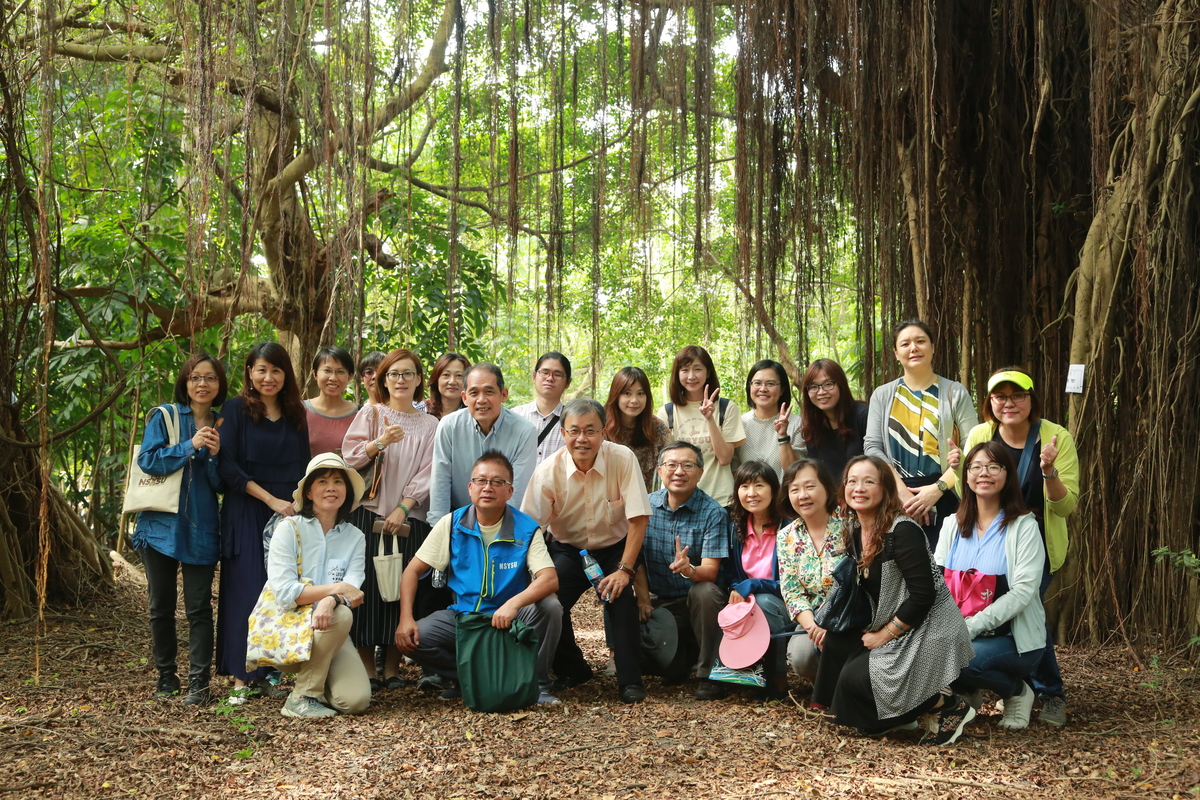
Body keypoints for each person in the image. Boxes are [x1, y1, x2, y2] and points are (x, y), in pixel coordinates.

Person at [811, 456, 976, 745]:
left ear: (886, 489)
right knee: (836, 644)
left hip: (928, 628)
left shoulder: (902, 531)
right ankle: (889, 718)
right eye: (852, 481)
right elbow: (854, 586)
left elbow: (924, 596)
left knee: (858, 677)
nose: (858, 488)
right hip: (887, 617)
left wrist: (885, 635)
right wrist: (830, 620)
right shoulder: (854, 530)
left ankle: (947, 705)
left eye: (869, 481)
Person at [396, 451, 563, 705]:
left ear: (510, 491)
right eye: (481, 481)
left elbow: (549, 579)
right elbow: (412, 570)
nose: (488, 488)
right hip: (465, 615)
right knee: (417, 637)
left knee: (550, 606)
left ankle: (537, 685)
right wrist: (405, 618)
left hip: (511, 617)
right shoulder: (452, 523)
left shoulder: (526, 528)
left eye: (497, 482)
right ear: (470, 487)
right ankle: (471, 679)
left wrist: (513, 604)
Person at [963, 367, 1078, 725]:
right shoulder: (981, 434)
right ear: (989, 403)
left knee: (1027, 610)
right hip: (988, 544)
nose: (1009, 403)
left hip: (1035, 543)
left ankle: (1049, 693)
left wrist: (1048, 470)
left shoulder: (1054, 437)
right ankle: (1009, 685)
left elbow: (1065, 505)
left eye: (1018, 396)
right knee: (1004, 613)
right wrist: (948, 476)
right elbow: (967, 488)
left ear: (1032, 400)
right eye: (1000, 396)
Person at [521, 398, 653, 703]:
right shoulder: (547, 472)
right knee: (550, 602)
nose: (582, 439)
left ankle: (630, 680)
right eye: (574, 431)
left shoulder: (622, 459)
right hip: (569, 549)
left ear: (604, 431)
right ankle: (573, 667)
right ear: (564, 434)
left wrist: (625, 571)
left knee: (622, 601)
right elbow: (530, 531)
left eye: (590, 430)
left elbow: (638, 519)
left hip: (615, 547)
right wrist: (535, 575)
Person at [217, 342, 311, 703]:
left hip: (289, 512)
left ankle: (272, 667)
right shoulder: (236, 410)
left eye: (275, 370)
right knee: (246, 589)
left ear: (286, 374)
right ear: (250, 373)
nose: (268, 378)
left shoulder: (295, 413)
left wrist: (298, 509)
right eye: (260, 370)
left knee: (283, 588)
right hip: (247, 508)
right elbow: (228, 466)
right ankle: (242, 677)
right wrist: (271, 500)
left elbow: (305, 466)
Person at [341, 348, 438, 691]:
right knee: (367, 588)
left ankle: (393, 668)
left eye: (408, 373)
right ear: (383, 379)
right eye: (394, 374)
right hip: (366, 516)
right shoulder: (371, 413)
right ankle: (368, 668)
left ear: (418, 380)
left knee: (400, 589)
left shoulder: (431, 424)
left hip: (409, 517)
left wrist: (404, 506)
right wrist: (380, 442)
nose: (401, 380)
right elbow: (349, 457)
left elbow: (429, 471)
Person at [133, 353, 226, 705]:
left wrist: (215, 455)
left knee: (200, 607)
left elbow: (220, 485)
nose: (202, 384)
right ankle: (166, 676)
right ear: (185, 382)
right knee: (161, 605)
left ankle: (199, 681)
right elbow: (147, 460)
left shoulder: (224, 423)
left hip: (202, 526)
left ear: (220, 385)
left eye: (210, 378)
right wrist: (191, 445)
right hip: (159, 525)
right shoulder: (165, 415)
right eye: (195, 377)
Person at [936, 442, 1045, 730]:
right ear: (967, 475)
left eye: (993, 466)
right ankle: (966, 692)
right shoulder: (952, 525)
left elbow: (1023, 592)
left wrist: (969, 627)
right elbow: (937, 582)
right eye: (976, 467)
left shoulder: (1023, 526)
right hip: (960, 631)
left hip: (1012, 638)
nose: (984, 473)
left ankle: (1017, 691)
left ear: (1007, 475)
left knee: (963, 659)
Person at [265, 453, 371, 718]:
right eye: (322, 481)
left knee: (355, 702)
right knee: (341, 611)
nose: (331, 487)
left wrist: (331, 600)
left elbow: (354, 591)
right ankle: (302, 696)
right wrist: (334, 593)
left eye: (338, 481)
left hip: (330, 630)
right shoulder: (288, 528)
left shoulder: (354, 537)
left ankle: (319, 681)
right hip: (288, 628)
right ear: (309, 492)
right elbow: (286, 593)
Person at [864, 320, 977, 549]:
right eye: (905, 344)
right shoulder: (883, 395)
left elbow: (973, 446)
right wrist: (904, 495)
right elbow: (873, 447)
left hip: (947, 495)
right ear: (896, 353)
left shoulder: (954, 392)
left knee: (944, 569)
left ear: (933, 347)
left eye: (920, 341)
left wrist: (937, 489)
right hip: (895, 497)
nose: (913, 348)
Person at [633, 441, 729, 700]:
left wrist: (689, 570)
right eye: (671, 465)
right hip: (660, 603)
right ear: (660, 470)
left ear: (700, 472)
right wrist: (642, 599)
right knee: (615, 590)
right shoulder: (645, 507)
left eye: (688, 465)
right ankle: (646, 666)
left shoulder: (713, 513)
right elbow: (635, 558)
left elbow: (709, 571)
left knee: (705, 591)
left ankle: (711, 674)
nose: (679, 472)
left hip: (694, 601)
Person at [428, 363, 537, 522]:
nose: (481, 400)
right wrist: (440, 531)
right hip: (457, 520)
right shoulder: (449, 426)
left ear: (503, 395)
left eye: (489, 392)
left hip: (504, 521)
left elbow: (516, 492)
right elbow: (440, 481)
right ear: (464, 398)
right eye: (474, 393)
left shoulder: (524, 431)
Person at [723, 460, 793, 698]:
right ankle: (741, 673)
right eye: (744, 486)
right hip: (748, 600)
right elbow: (731, 573)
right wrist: (739, 588)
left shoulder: (789, 528)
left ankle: (777, 676)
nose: (751, 493)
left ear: (774, 490)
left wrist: (753, 585)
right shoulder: (735, 528)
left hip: (784, 603)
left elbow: (791, 584)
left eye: (759, 486)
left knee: (763, 602)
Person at [776, 458, 844, 685]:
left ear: (827, 488)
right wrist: (813, 627)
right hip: (813, 617)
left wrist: (832, 624)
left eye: (810, 486)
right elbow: (792, 592)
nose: (802, 495)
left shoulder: (851, 524)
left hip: (851, 614)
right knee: (802, 655)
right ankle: (827, 686)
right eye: (794, 489)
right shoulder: (786, 536)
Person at [657, 345, 746, 506]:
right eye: (685, 370)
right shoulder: (667, 412)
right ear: (677, 374)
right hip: (678, 501)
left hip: (719, 500)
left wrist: (710, 419)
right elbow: (666, 463)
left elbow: (725, 458)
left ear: (708, 372)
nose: (691, 376)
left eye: (697, 369)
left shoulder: (727, 408)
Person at [799, 359, 870, 481]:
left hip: (863, 493)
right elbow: (816, 473)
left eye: (828, 384)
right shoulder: (812, 426)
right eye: (814, 387)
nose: (821, 392)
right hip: (830, 497)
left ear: (841, 385)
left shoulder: (863, 415)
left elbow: (879, 463)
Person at [603, 366, 670, 492]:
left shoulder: (657, 427)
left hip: (646, 504)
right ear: (616, 395)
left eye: (640, 394)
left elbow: (671, 464)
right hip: (606, 502)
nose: (634, 400)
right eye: (627, 393)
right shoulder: (599, 425)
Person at [736, 360, 803, 480]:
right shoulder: (740, 424)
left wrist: (783, 436)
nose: (763, 389)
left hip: (786, 497)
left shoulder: (797, 424)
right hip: (750, 497)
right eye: (757, 383)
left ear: (782, 389)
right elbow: (734, 472)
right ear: (749, 386)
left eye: (770, 384)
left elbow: (796, 473)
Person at [512, 352, 572, 465]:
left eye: (558, 375)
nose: (550, 378)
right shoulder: (515, 416)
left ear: (568, 382)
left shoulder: (572, 420)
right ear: (534, 377)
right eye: (544, 373)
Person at [304, 346, 359, 456]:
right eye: (327, 371)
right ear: (315, 374)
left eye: (340, 372)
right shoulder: (299, 410)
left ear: (350, 377)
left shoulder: (360, 414)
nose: (333, 378)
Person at [417, 352, 470, 419]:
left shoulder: (472, 415)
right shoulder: (420, 410)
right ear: (436, 379)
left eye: (459, 375)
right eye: (446, 375)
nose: (452, 382)